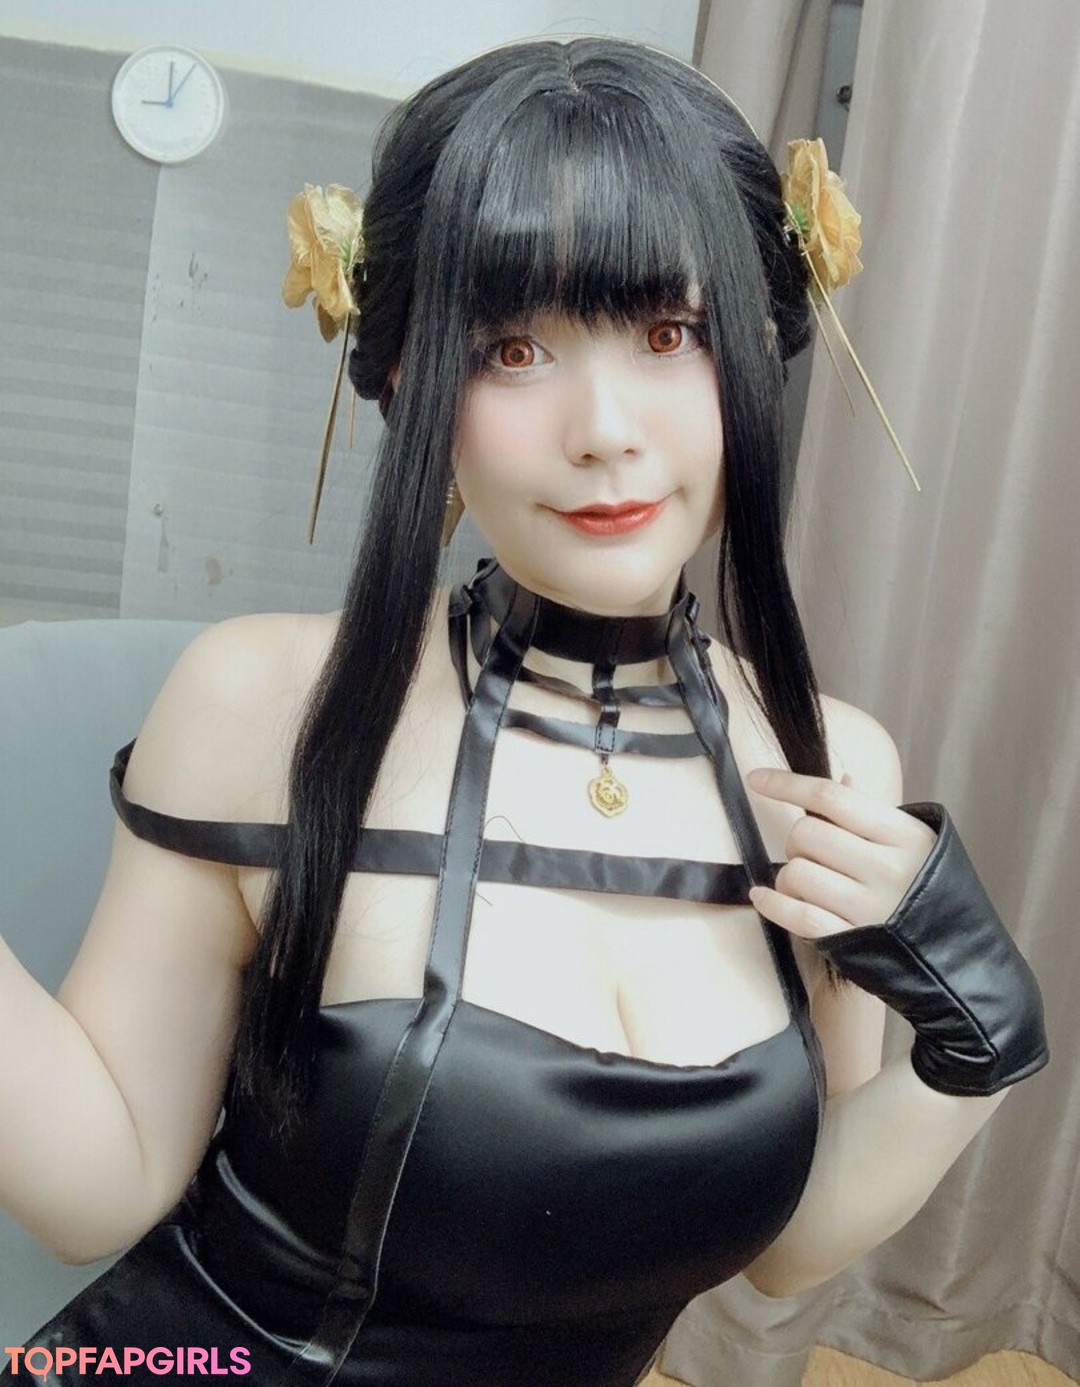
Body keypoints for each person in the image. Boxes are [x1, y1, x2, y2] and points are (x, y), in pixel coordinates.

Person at [0, 35, 1047, 1387]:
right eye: (512, 349)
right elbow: (97, 1186)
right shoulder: (263, 701)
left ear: (756, 351)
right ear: (408, 386)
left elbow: (788, 1247)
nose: (604, 426)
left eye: (670, 334)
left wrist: (983, 1044)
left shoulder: (829, 765)